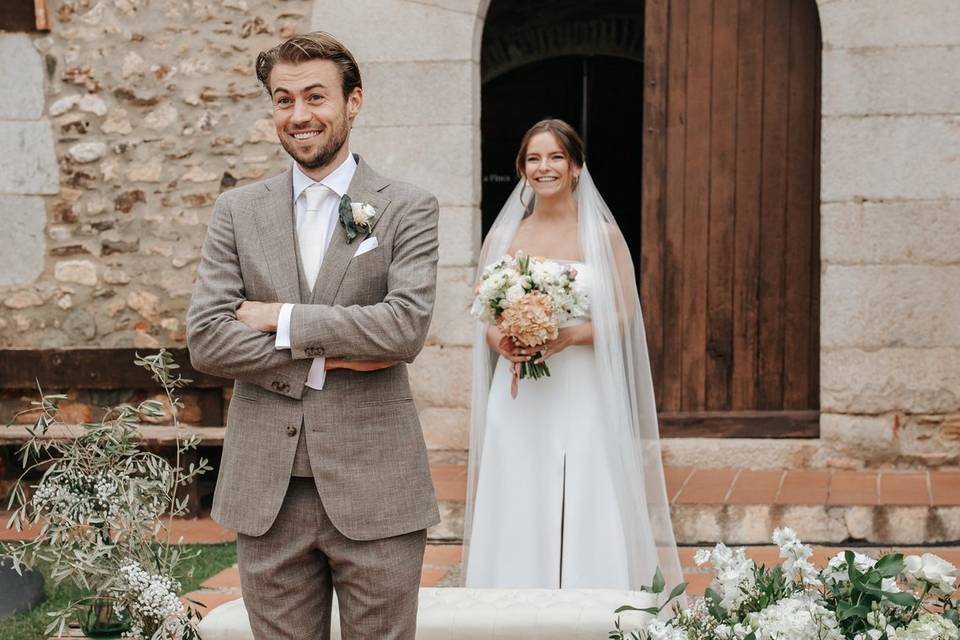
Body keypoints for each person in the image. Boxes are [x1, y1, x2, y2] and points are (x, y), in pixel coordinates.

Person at [186, 32, 440, 640]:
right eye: (283, 99)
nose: (299, 115)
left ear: (353, 102)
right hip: (267, 489)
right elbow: (207, 340)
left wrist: (281, 318)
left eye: (315, 97)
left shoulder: (408, 207)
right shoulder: (237, 212)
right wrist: (331, 358)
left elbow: (403, 327)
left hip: (377, 485)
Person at [464, 119, 683, 591]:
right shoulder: (502, 239)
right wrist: (504, 341)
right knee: (518, 486)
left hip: (581, 383)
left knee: (587, 487)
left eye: (556, 157)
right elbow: (484, 317)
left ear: (577, 166)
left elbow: (624, 317)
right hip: (519, 390)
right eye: (534, 159)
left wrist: (564, 338)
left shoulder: (602, 237)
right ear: (522, 169)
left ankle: (591, 598)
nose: (545, 168)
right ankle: (513, 601)